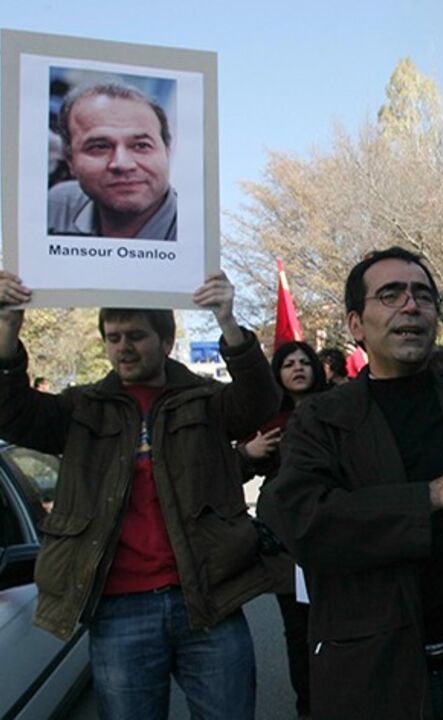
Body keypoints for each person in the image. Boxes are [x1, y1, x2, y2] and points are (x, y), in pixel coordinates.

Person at [258, 246, 443, 720]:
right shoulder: (322, 418)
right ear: (356, 325)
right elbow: (301, 519)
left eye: (423, 295)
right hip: (380, 674)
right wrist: (431, 496)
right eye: (390, 295)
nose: (411, 305)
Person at [0, 269, 278, 719]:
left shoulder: (204, 400)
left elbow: (261, 404)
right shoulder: (80, 407)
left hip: (207, 603)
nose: (123, 347)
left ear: (166, 341)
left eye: (135, 336)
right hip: (118, 609)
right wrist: (9, 330)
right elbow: (12, 415)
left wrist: (228, 321)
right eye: (113, 337)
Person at [237, 340, 328, 720]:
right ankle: (307, 706)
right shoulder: (268, 422)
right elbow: (232, 473)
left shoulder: (339, 409)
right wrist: (248, 453)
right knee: (299, 631)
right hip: (287, 549)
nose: (298, 368)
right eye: (288, 363)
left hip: (334, 536)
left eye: (305, 361)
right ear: (277, 373)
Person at [48, 83, 177, 241]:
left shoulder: (200, 230)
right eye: (100, 147)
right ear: (70, 161)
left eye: (141, 146)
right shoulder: (59, 204)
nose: (122, 164)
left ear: (167, 153)